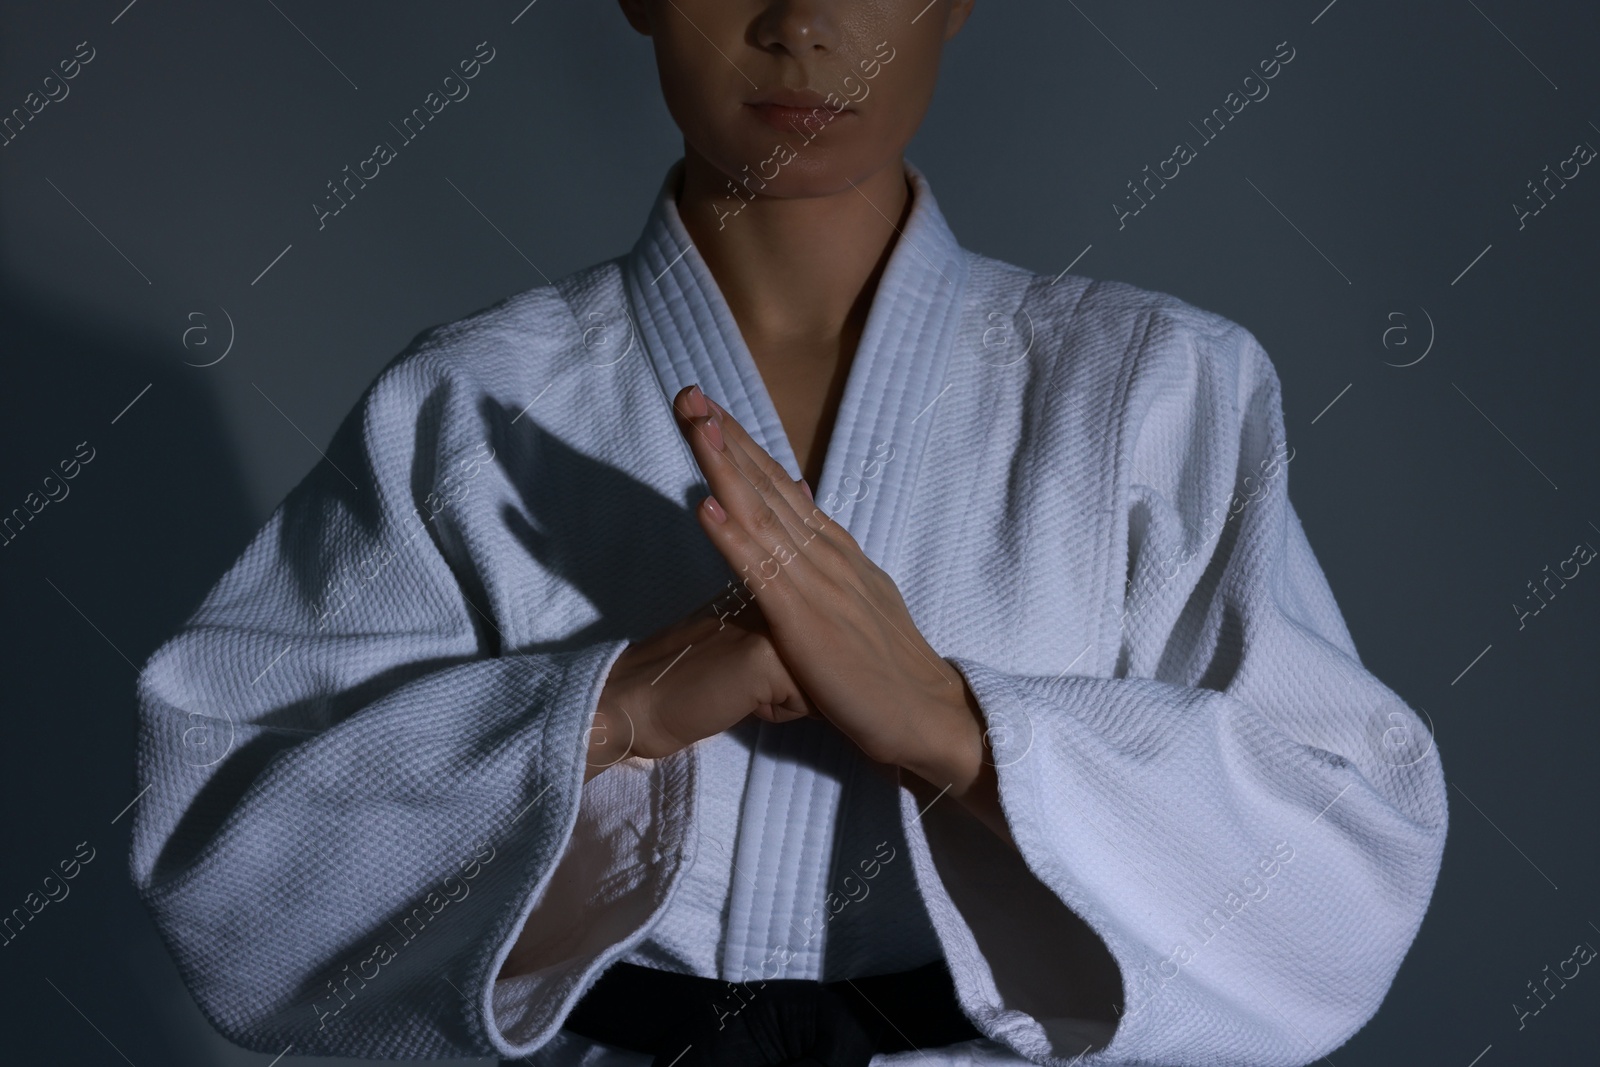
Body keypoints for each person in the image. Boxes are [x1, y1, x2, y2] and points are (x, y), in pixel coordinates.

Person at [129, 1, 1449, 1065]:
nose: (802, 22)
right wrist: (611, 706)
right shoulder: (471, 400)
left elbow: (1339, 880)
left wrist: (953, 724)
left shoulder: (1156, 391)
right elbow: (225, 868)